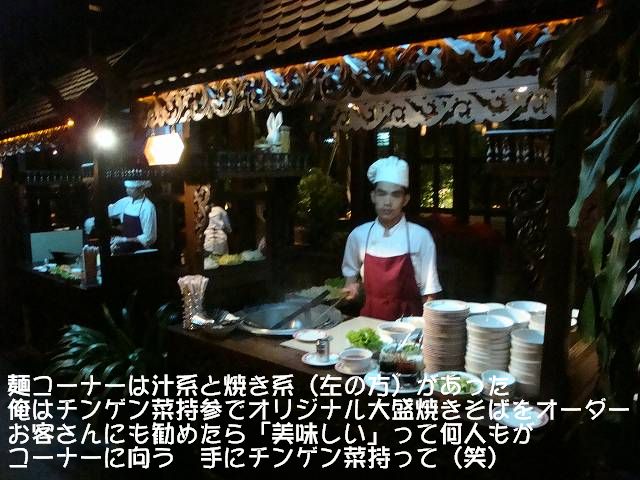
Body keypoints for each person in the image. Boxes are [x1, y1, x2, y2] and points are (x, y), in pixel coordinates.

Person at [341, 156, 441, 320]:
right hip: (368, 323)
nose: (387, 202)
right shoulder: (358, 235)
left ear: (405, 200)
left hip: (409, 325)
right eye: (382, 194)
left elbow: (430, 294)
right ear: (373, 196)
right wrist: (352, 289)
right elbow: (350, 279)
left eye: (395, 195)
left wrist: (427, 328)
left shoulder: (421, 236)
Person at [108, 179, 157, 254]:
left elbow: (148, 237)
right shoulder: (126, 201)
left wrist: (124, 240)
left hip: (140, 251)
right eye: (127, 187)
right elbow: (109, 211)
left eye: (131, 188)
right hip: (125, 248)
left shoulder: (148, 207)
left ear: (141, 188)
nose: (127, 190)